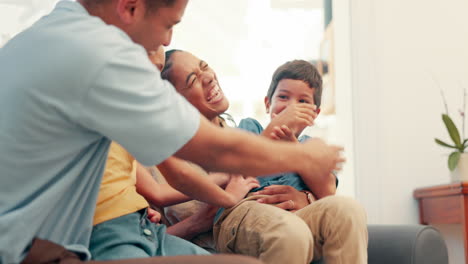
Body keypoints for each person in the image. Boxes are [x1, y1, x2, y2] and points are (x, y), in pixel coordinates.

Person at [0, 0, 343, 263]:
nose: (167, 39)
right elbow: (208, 149)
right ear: (130, 7)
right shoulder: (97, 54)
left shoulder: (48, 34)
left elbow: (177, 167)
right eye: (169, 24)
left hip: (125, 229)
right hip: (52, 245)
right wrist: (305, 154)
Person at [161, 50, 368, 264]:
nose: (291, 107)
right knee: (290, 231)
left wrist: (306, 195)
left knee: (348, 210)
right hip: (248, 211)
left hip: (291, 217)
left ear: (315, 114)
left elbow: (328, 193)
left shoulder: (308, 144)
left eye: (302, 101)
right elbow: (240, 162)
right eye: (284, 97)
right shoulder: (248, 128)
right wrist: (278, 133)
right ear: (268, 103)